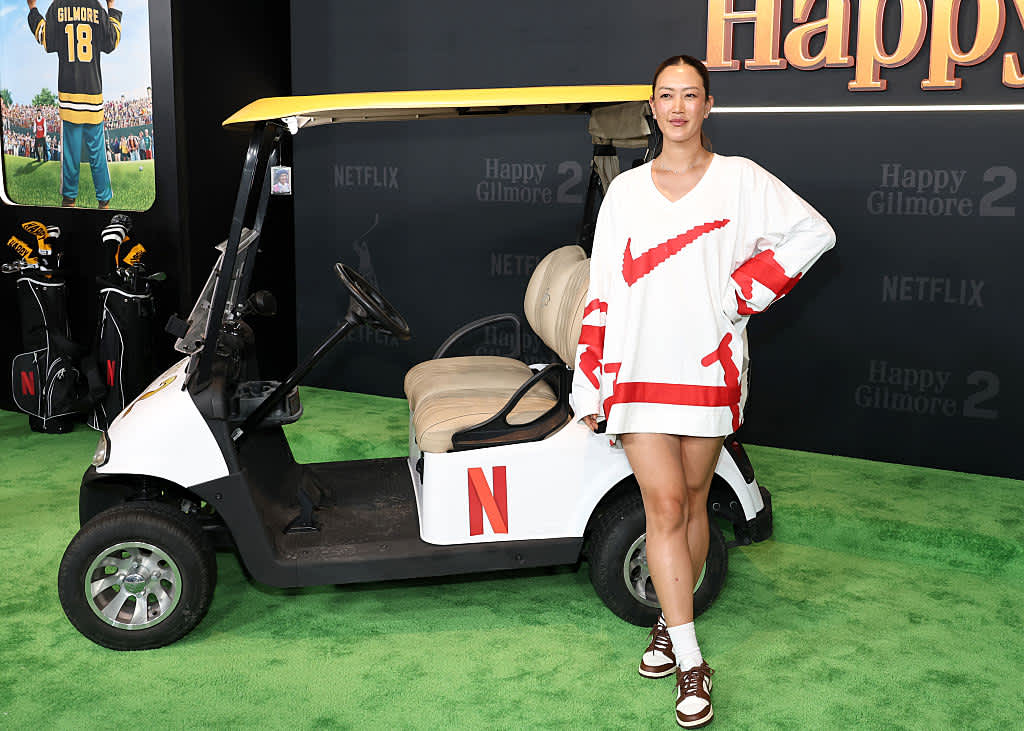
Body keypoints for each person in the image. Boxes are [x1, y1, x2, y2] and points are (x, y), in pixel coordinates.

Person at [571, 55, 835, 728]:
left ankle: (667, 618)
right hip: (637, 371)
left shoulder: (740, 180)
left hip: (708, 371)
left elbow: (815, 232)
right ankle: (691, 660)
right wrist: (590, 378)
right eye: (667, 95)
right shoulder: (626, 191)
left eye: (691, 94)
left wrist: (743, 293)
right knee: (662, 504)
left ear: (709, 105)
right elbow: (602, 289)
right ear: (652, 109)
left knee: (692, 501)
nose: (679, 106)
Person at [27, 0, 122, 208]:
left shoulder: (58, 6)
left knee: (70, 154)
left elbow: (44, 37)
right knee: (98, 154)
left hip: (70, 97)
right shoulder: (96, 7)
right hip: (93, 95)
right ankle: (104, 202)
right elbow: (112, 42)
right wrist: (112, 6)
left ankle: (69, 200)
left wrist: (33, 8)